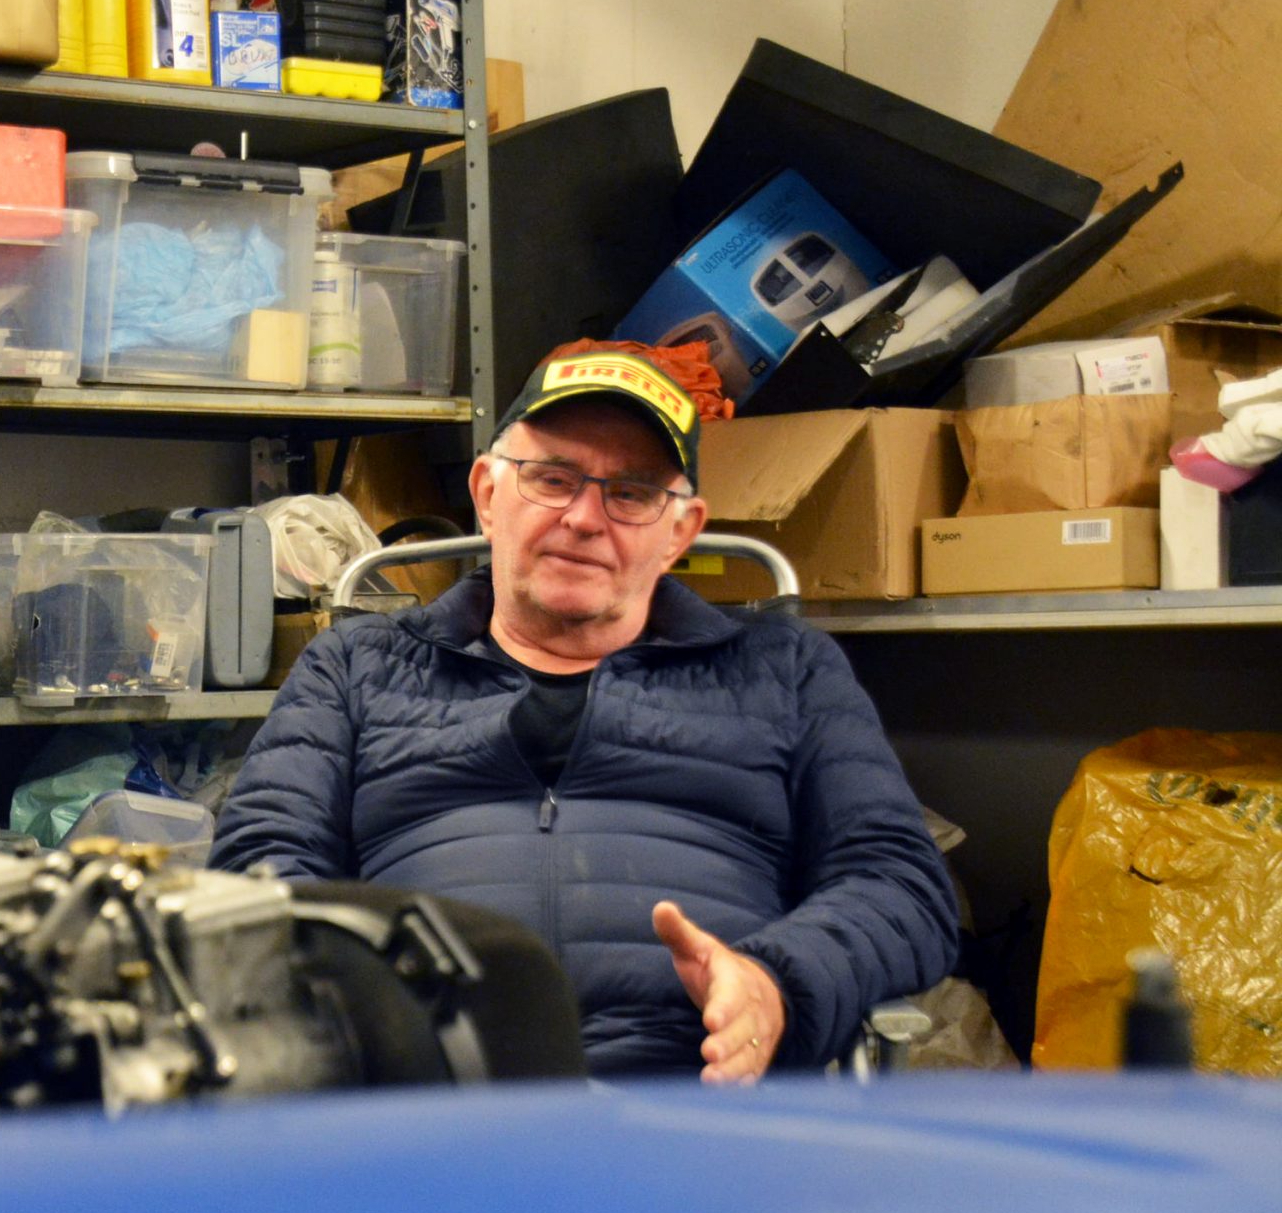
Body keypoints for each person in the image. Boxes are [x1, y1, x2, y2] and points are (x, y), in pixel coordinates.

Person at [212, 342, 958, 1080]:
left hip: (697, 1096)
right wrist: (361, 1007)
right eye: (552, 478)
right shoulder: (357, 667)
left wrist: (777, 985)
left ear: (681, 531)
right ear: (487, 492)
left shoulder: (784, 671)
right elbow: (257, 866)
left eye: (630, 493)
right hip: (428, 1098)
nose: (584, 518)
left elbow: (900, 884)